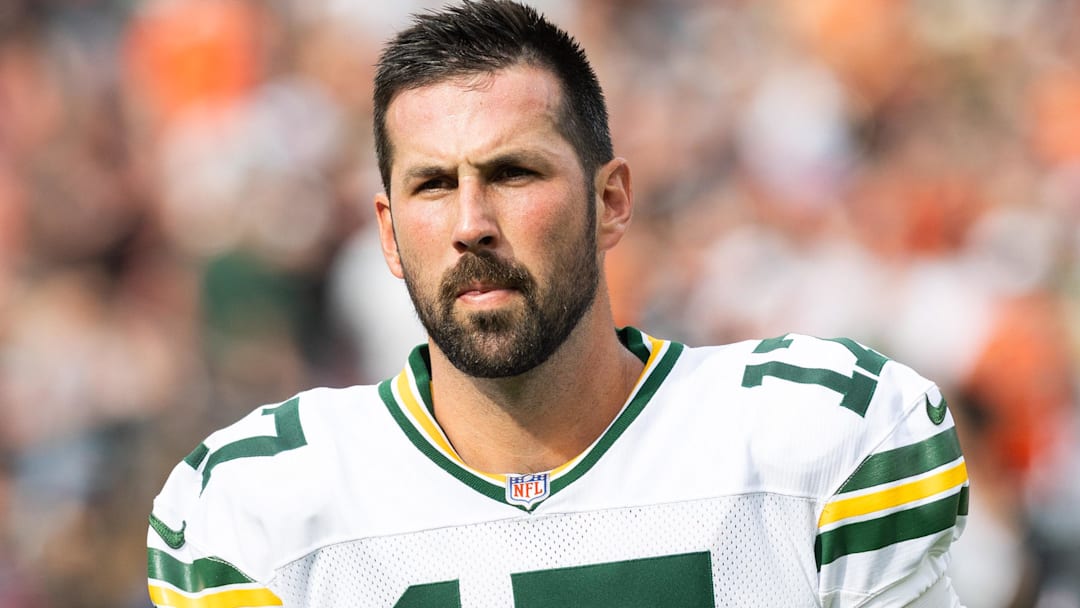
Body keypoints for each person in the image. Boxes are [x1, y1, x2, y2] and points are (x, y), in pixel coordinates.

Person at [146, 1, 969, 606]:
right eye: (433, 185)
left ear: (611, 202)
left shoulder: (814, 437)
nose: (471, 224)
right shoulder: (259, 506)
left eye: (514, 174)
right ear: (390, 235)